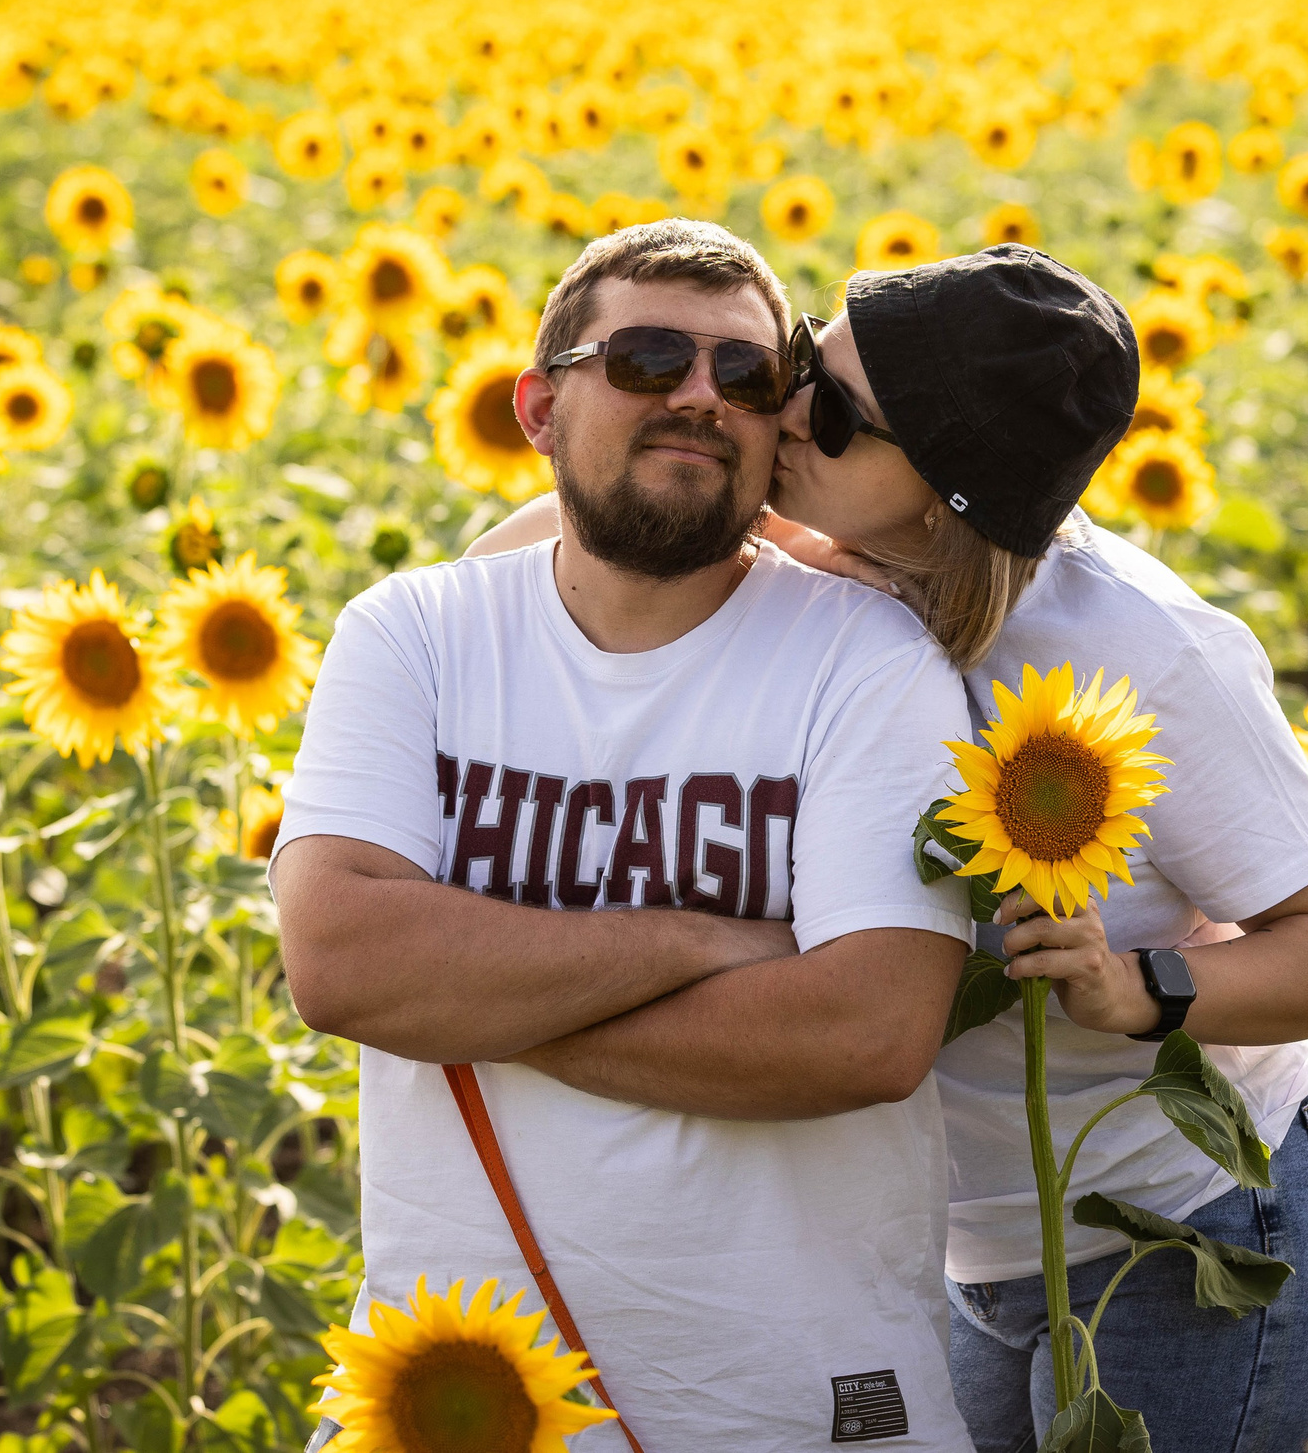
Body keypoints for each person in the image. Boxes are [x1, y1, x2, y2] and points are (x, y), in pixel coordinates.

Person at [476, 244, 1308, 1453]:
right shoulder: (802, 553)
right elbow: (522, 563)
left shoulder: (1142, 654)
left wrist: (1140, 989)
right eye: (806, 365)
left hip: (1194, 1235)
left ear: (942, 495)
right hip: (970, 1252)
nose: (787, 414)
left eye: (837, 416)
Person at [271, 219, 979, 1449]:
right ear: (539, 410)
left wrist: (471, 998)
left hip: (801, 1401)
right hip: (466, 1394)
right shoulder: (411, 635)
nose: (699, 396)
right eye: (647, 359)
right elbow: (342, 964)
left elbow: (865, 1033)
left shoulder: (870, 658)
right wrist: (705, 942)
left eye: (745, 375)